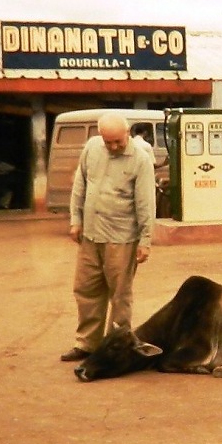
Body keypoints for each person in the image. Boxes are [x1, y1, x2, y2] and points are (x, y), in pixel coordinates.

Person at [61, 113, 156, 361]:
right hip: (91, 235)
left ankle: (117, 346)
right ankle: (87, 344)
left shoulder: (140, 160)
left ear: (127, 133)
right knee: (86, 289)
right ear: (100, 137)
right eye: (108, 142)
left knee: (120, 294)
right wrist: (75, 220)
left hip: (122, 238)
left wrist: (145, 240)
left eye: (118, 142)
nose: (113, 147)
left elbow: (146, 203)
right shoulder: (92, 148)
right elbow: (79, 185)